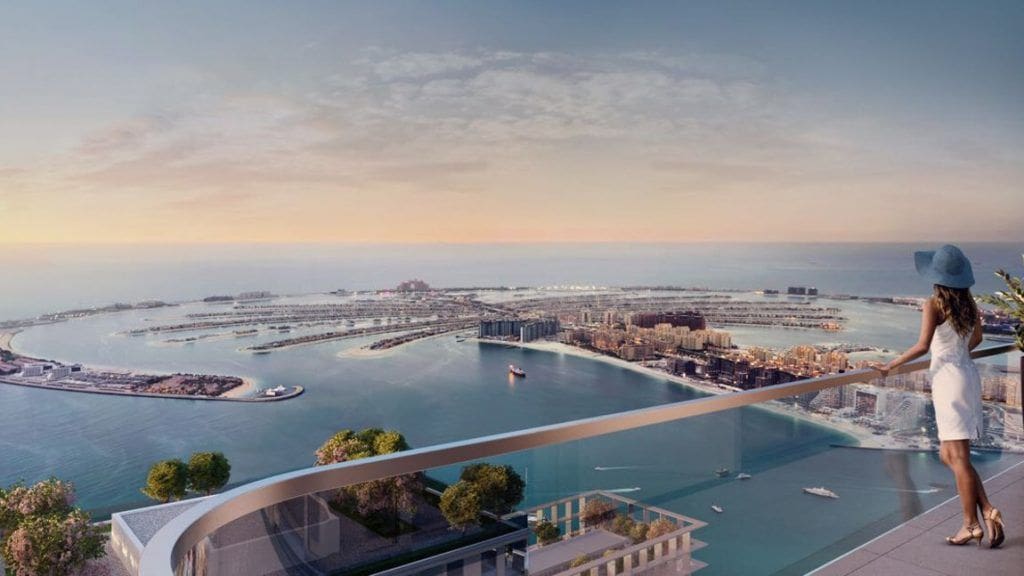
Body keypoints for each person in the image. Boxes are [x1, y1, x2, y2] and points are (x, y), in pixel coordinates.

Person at [874, 244, 1004, 548]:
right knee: (951, 456)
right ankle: (988, 509)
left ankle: (971, 525)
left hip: (948, 381)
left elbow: (922, 345)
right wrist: (958, 355)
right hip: (967, 376)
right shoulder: (969, 305)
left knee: (956, 457)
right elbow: (978, 338)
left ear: (936, 276)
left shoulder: (933, 304)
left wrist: (891, 365)